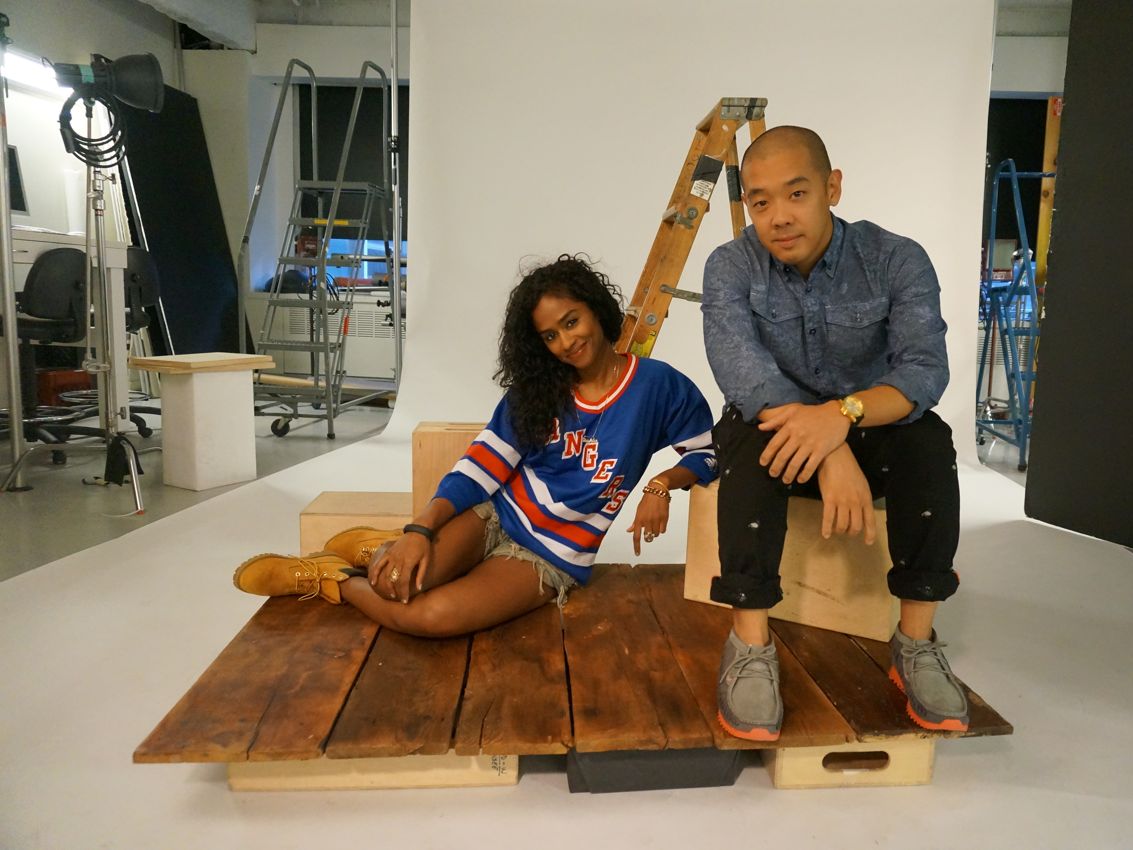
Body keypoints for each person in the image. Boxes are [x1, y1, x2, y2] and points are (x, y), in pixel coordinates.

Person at [235, 254, 718, 637]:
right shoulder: (540, 391)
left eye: (572, 322)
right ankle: (377, 553)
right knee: (393, 584)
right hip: (497, 513)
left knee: (428, 617)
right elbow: (481, 466)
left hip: (551, 555)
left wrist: (661, 484)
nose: (566, 342)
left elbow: (709, 452)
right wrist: (419, 530)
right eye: (550, 336)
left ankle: (333, 579)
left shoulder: (657, 387)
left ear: (596, 309)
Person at [702, 126, 968, 741]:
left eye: (796, 194)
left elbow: (924, 371)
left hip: (869, 424)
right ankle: (749, 645)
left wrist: (840, 419)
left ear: (833, 188)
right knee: (746, 436)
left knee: (928, 440)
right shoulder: (731, 265)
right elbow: (744, 373)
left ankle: (915, 642)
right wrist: (829, 451)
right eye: (761, 201)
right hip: (776, 430)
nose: (778, 216)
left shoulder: (896, 259)